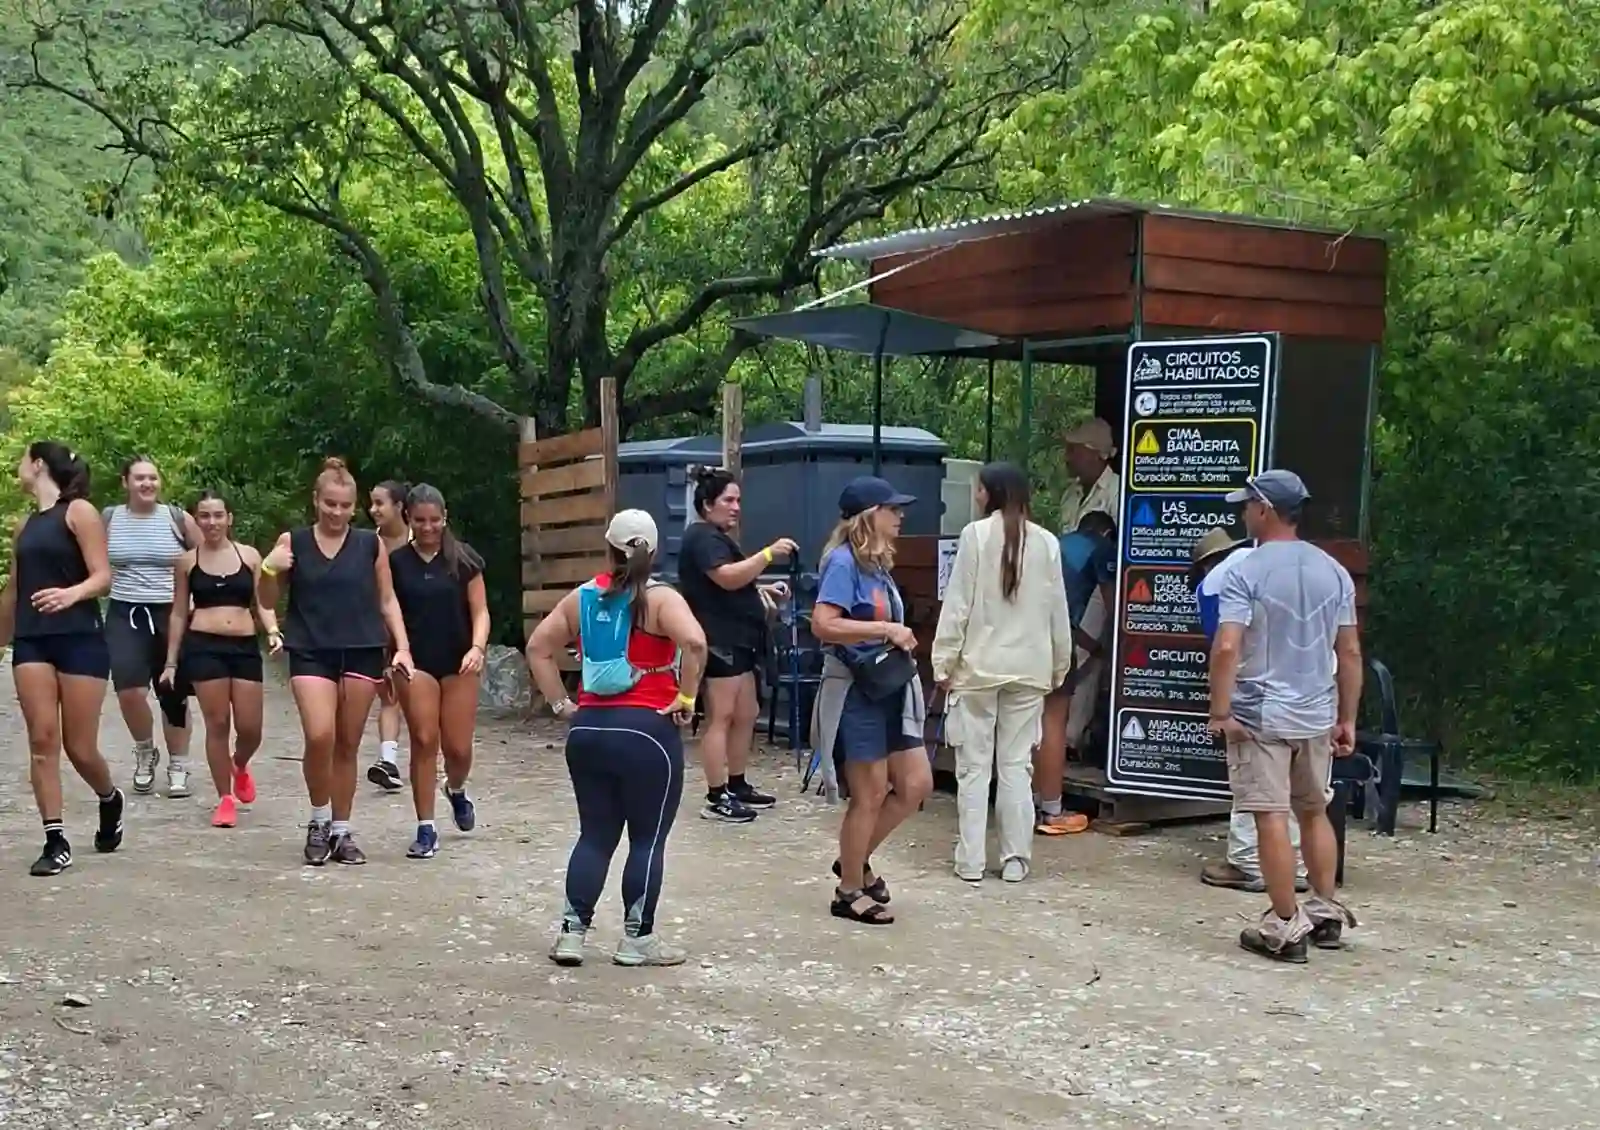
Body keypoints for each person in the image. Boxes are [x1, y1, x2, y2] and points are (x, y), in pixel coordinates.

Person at [526, 510, 706, 968]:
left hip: (588, 730)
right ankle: (637, 939)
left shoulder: (582, 597)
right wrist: (686, 696)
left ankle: (572, 934)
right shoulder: (659, 599)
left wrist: (562, 705)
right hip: (647, 732)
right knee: (647, 839)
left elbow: (538, 648)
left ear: (608, 548)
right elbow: (695, 643)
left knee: (594, 836)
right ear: (654, 550)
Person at [1207, 470, 1362, 962]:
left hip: (1261, 714)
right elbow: (1349, 651)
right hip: (1316, 711)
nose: (1242, 513)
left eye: (1247, 505)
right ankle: (1325, 911)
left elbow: (1227, 645)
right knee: (1314, 810)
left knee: (1270, 814)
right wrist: (1347, 717)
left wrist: (1220, 710)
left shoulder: (1244, 571)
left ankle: (1284, 924)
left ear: (1265, 509)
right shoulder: (1333, 571)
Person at [259, 458, 415, 866]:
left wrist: (402, 646)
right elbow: (266, 600)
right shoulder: (293, 541)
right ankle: (318, 819)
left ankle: (341, 829)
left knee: (347, 743)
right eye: (330, 504)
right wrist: (268, 569)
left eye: (345, 506)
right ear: (316, 500)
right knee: (319, 735)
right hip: (310, 648)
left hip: (362, 647)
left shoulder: (369, 545)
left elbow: (387, 599)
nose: (337, 512)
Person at [932, 463, 1072, 884]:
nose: (976, 496)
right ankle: (1015, 860)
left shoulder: (975, 536)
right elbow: (1057, 610)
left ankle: (971, 861)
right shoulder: (1047, 542)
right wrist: (1059, 664)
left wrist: (943, 661)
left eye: (979, 489)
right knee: (1016, 768)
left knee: (974, 770)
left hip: (978, 669)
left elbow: (958, 604)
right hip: (1029, 669)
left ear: (992, 492)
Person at [810, 476, 934, 926]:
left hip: (888, 688)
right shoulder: (843, 562)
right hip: (856, 690)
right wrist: (885, 629)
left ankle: (854, 859)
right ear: (868, 515)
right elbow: (823, 624)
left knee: (916, 784)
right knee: (870, 791)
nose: (900, 516)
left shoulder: (876, 563)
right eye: (892, 509)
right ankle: (848, 891)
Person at [0, 442, 124, 876]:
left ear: (38, 464)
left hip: (79, 639)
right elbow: (14, 590)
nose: (17, 467)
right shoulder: (24, 526)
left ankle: (109, 798)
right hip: (32, 641)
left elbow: (103, 576)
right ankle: (55, 840)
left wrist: (71, 594)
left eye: (22, 460)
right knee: (42, 740)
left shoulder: (79, 512)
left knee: (80, 747)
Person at [1188, 526, 1310, 894]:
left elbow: (1225, 647)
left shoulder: (1213, 584)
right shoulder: (1292, 564)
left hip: (1259, 689)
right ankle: (1297, 866)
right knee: (1297, 784)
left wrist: (1221, 709)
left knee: (1253, 781)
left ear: (1205, 564)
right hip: (1312, 687)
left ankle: (1247, 863)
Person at [675, 467, 793, 822]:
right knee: (721, 717)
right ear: (707, 504)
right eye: (728, 500)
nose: (736, 507)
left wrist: (760, 589)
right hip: (719, 642)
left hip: (740, 641)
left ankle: (737, 783)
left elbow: (724, 584)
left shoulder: (714, 537)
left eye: (738, 500)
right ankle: (716, 796)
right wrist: (768, 555)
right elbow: (725, 578)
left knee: (746, 713)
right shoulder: (702, 538)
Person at [160, 491, 280, 829]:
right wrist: (171, 662)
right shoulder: (187, 561)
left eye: (218, 515)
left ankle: (239, 763)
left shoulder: (249, 556)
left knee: (250, 728)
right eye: (204, 516)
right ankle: (225, 797)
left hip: (243, 647)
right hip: (203, 647)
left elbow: (263, 601)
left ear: (229, 519)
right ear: (196, 520)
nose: (211, 522)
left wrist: (273, 631)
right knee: (217, 724)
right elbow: (179, 612)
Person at [389, 484, 490, 859]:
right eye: (420, 520)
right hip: (415, 662)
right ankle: (426, 827)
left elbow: (480, 611)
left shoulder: (464, 559)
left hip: (459, 661)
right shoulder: (396, 563)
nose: (428, 527)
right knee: (424, 738)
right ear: (409, 519)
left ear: (445, 518)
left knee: (458, 748)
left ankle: (456, 788)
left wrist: (477, 647)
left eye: (434, 520)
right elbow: (387, 609)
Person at [102, 456, 199, 798]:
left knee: (173, 692)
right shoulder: (109, 519)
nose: (147, 484)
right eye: (139, 478)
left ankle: (179, 764)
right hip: (124, 611)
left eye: (152, 478)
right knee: (129, 690)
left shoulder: (176, 518)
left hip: (171, 611)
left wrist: (198, 601)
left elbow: (207, 557)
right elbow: (91, 560)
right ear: (125, 482)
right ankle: (145, 751)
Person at [1033, 508, 1117, 835]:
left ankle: (1027, 803)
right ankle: (1052, 810)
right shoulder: (1102, 548)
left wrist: (1092, 648)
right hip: (1053, 641)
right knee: (1054, 722)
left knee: (1028, 720)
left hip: (1023, 640)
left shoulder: (1052, 542)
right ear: (1107, 533)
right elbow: (1114, 607)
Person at [1055, 417, 1121, 776]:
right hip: (1070, 580)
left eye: (1074, 450)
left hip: (1102, 581)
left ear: (1095, 454)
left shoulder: (1118, 492)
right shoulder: (1071, 495)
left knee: (1083, 654)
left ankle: (1069, 737)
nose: (1068, 457)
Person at [366, 480, 411, 791]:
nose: (373, 509)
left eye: (380, 503)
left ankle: (437, 762)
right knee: (389, 694)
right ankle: (388, 761)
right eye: (372, 503)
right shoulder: (368, 544)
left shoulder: (420, 537)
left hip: (421, 627)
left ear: (399, 506)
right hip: (382, 631)